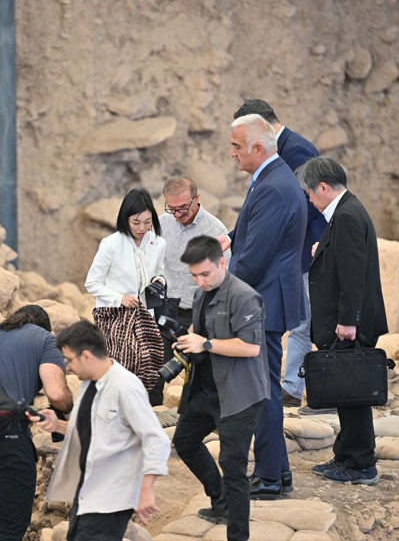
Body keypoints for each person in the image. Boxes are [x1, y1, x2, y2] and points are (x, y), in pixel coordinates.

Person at [219, 114, 306, 499]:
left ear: (258, 148)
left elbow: (254, 255)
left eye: (237, 147)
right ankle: (279, 472)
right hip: (269, 297)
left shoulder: (273, 185)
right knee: (265, 387)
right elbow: (250, 234)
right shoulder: (273, 177)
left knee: (262, 391)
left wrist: (223, 293)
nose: (232, 154)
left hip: (264, 300)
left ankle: (269, 476)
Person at [31, 321, 170, 541]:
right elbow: (91, 431)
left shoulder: (125, 387)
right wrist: (57, 425)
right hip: (87, 491)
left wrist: (146, 490)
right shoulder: (90, 383)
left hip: (112, 498)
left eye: (68, 360)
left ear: (86, 356)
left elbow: (156, 440)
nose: (66, 367)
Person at [298, 156, 388, 485]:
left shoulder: (347, 216)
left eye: (309, 193)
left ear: (323, 187)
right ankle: (345, 456)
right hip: (350, 320)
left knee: (354, 395)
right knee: (347, 392)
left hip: (353, 323)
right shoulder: (346, 210)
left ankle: (360, 464)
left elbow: (353, 276)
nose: (309, 199)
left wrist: (349, 320)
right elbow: (343, 258)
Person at [172, 236, 268, 541]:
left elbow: (251, 348)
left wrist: (207, 344)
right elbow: (199, 332)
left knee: (234, 467)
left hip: (240, 396)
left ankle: (237, 535)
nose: (199, 281)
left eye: (205, 274)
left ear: (221, 263)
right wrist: (188, 341)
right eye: (194, 276)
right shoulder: (202, 295)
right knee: (185, 442)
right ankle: (220, 501)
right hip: (206, 388)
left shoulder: (244, 296)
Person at [233, 99, 325, 410]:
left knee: (303, 324)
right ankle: (290, 387)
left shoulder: (295, 151)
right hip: (289, 252)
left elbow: (302, 208)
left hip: (301, 252)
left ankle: (293, 387)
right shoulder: (272, 155)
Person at [0, 305, 73, 540]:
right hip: (6, 442)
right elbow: (57, 394)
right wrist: (67, 408)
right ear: (43, 328)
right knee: (12, 524)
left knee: (0, 505)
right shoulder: (46, 340)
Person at [85, 188, 166, 400]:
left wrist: (159, 282)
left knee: (149, 363)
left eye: (147, 222)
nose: (142, 228)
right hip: (114, 317)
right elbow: (92, 282)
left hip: (144, 314)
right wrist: (120, 298)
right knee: (120, 367)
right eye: (136, 222)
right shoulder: (111, 244)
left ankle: (143, 411)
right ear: (125, 219)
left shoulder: (158, 243)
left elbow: (160, 272)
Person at [155, 176, 230, 404]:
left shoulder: (215, 229)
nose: (177, 214)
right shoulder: (162, 223)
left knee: (195, 371)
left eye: (183, 208)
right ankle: (151, 416)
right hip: (165, 306)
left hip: (196, 311)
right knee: (154, 369)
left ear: (197, 199)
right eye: (172, 208)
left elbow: (223, 277)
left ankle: (190, 422)